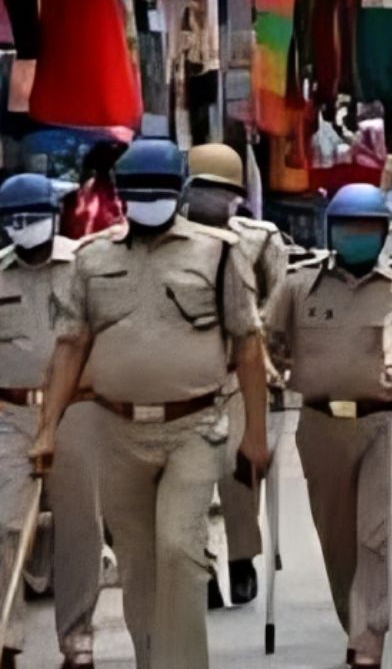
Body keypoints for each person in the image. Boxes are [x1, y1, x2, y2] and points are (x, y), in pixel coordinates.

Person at [29, 137, 269, 669]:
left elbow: (249, 346)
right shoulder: (92, 259)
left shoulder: (219, 253)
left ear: (179, 192)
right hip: (118, 434)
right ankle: (151, 659)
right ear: (120, 193)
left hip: (195, 428)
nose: (149, 200)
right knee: (138, 564)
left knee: (179, 548)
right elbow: (70, 346)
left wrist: (255, 434)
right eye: (138, 190)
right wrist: (47, 428)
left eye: (159, 189)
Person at [265, 184, 392, 668]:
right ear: (331, 231)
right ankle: (355, 617)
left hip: (385, 424)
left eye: (368, 227)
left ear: (384, 232)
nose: (358, 235)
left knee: (378, 533)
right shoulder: (298, 286)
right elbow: (268, 343)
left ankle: (367, 640)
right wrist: (268, 377)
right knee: (337, 538)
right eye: (348, 227)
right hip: (321, 424)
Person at [181, 143, 288, 608]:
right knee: (188, 479)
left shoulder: (259, 239)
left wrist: (264, 353)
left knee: (239, 468)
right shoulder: (170, 240)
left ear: (238, 195)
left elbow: (276, 299)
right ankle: (200, 565)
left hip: (238, 369)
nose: (212, 200)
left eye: (221, 190)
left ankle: (242, 556)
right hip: (184, 375)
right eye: (202, 189)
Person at [0, 174, 100, 669]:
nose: (23, 226)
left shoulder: (86, 268)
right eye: (12, 219)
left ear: (55, 216)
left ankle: (77, 640)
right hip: (12, 413)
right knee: (5, 524)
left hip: (78, 411)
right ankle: (5, 636)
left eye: (32, 216)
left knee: (79, 527)